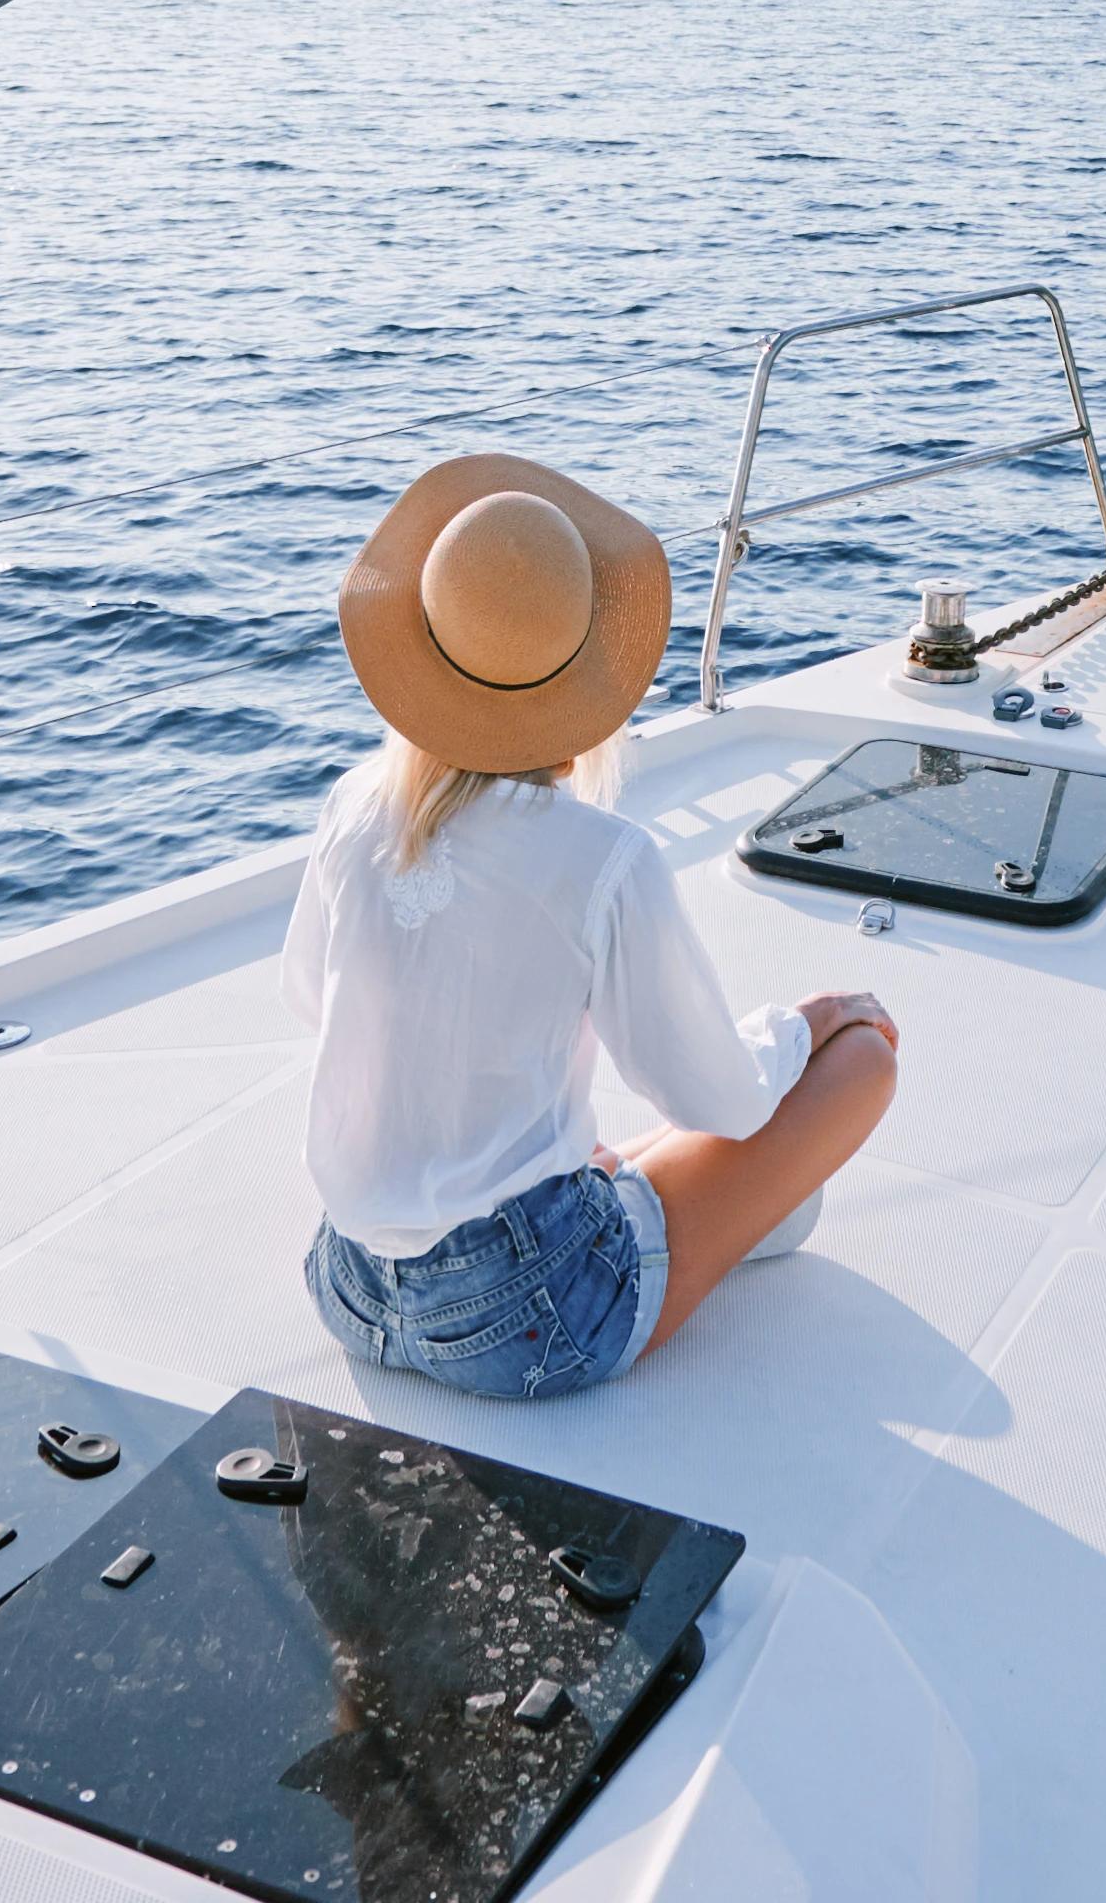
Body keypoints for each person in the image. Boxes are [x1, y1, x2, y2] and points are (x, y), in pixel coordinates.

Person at [284, 452, 897, 1402]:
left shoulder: (355, 807)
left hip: (350, 1286)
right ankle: (670, 1207)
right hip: (526, 1313)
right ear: (577, 679)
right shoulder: (600, 858)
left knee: (595, 1155)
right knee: (863, 1059)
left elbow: (306, 997)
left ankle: (608, 1190)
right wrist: (804, 1024)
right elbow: (722, 1104)